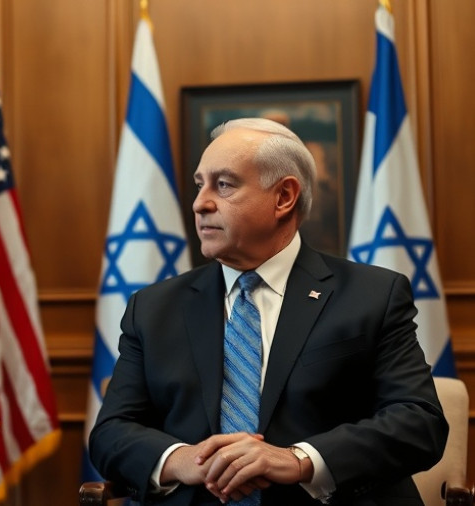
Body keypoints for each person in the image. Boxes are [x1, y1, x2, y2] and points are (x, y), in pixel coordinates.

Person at [89, 117, 448, 505]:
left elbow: (419, 422)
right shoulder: (154, 307)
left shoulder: (373, 296)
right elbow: (111, 432)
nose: (199, 203)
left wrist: (298, 459)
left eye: (223, 184)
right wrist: (183, 459)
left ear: (283, 197)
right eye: (199, 184)